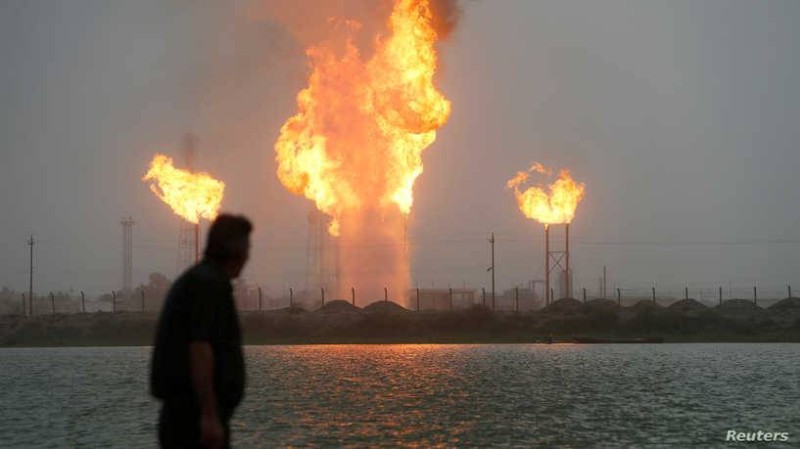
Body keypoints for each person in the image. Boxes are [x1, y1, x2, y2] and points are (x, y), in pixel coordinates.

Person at [150, 214, 252, 448]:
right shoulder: (208, 284)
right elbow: (199, 347)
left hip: (193, 418)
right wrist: (208, 415)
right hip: (193, 422)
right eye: (247, 247)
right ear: (235, 249)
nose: (248, 255)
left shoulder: (200, 280)